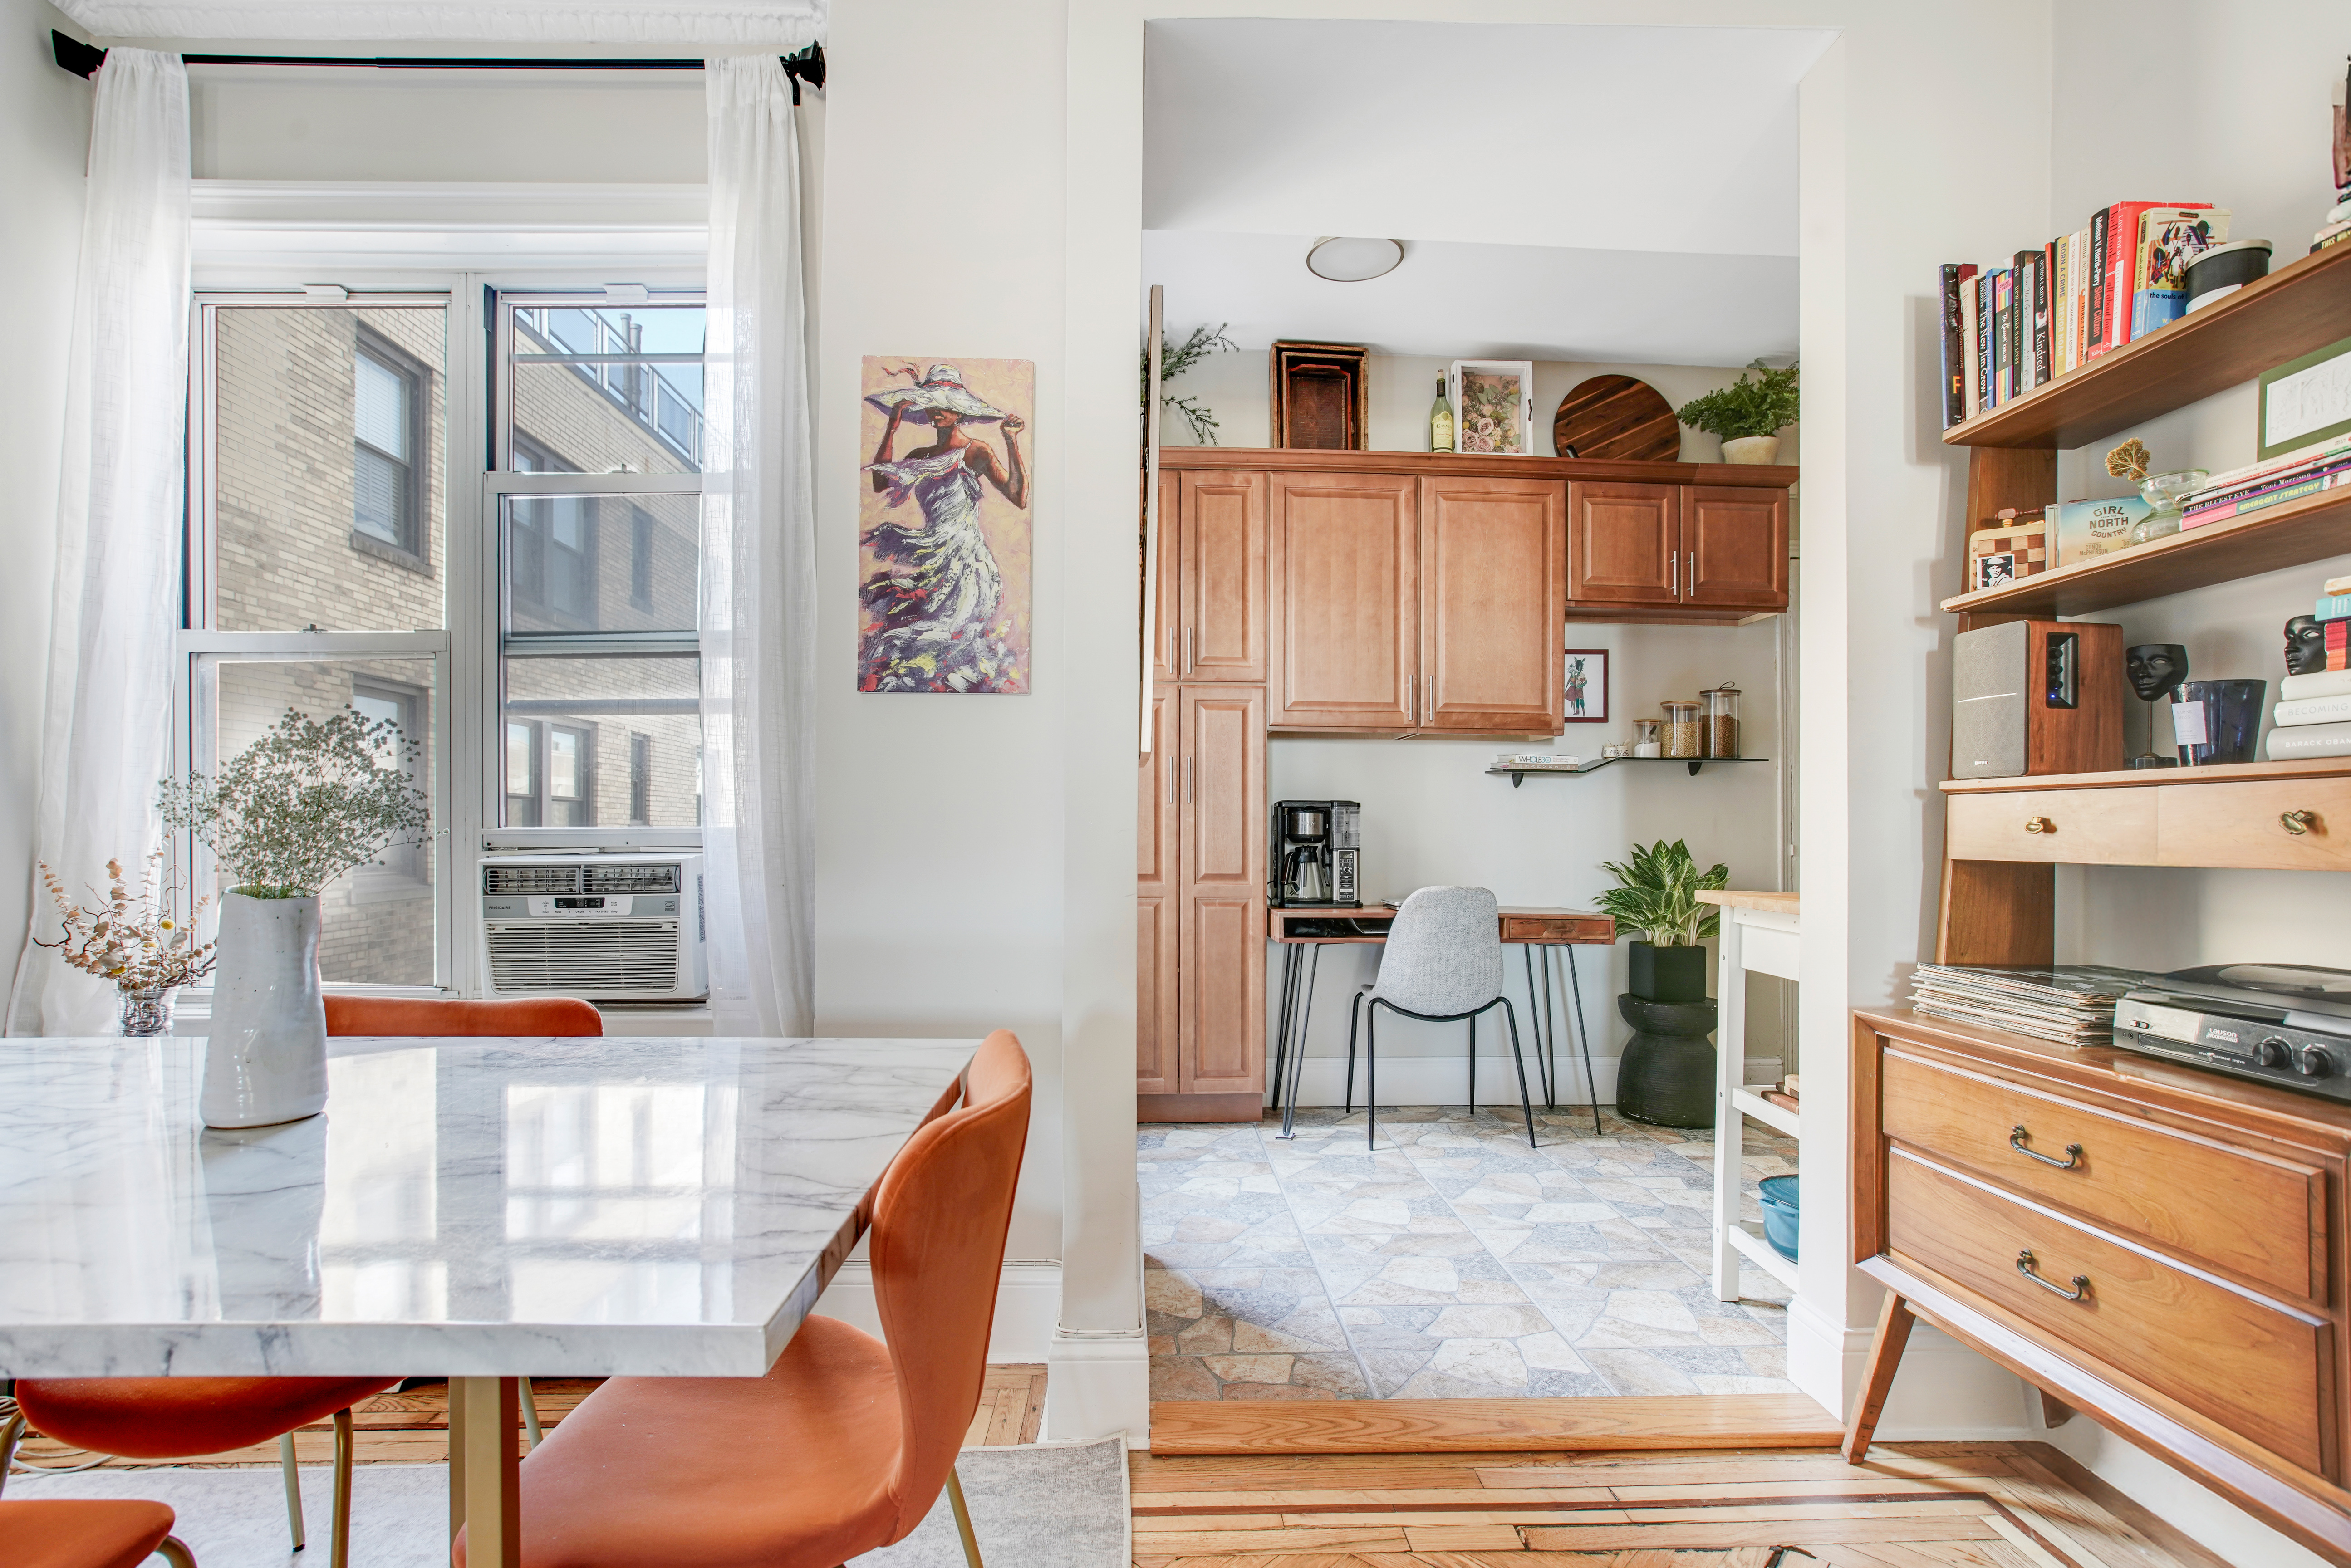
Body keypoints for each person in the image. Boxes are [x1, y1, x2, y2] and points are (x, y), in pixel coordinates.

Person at [859, 363, 1029, 691]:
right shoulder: (921, 454)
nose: (938, 411)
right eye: (933, 404)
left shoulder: (977, 451)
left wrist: (1010, 441)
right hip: (930, 552)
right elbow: (880, 482)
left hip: (965, 558)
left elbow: (1018, 497)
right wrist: (891, 428)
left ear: (960, 412)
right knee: (915, 635)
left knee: (954, 636)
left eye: (946, 406)